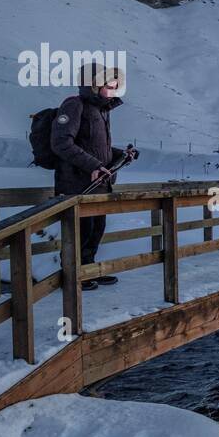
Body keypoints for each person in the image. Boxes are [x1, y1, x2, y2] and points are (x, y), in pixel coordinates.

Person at [50, 62, 138, 290]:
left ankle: (88, 271)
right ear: (93, 84)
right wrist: (93, 166)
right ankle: (73, 277)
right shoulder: (74, 105)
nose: (113, 89)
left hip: (99, 185)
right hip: (77, 186)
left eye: (115, 85)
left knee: (95, 231)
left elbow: (97, 148)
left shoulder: (102, 111)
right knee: (80, 232)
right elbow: (61, 143)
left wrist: (121, 155)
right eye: (109, 85)